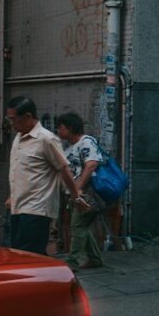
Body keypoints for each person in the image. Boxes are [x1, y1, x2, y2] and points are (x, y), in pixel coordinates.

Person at [4, 96, 86, 255]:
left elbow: (64, 169)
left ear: (28, 117)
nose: (12, 124)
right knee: (20, 255)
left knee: (27, 257)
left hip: (37, 209)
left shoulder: (47, 139)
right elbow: (21, 172)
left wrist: (76, 196)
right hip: (17, 206)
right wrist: (12, 195)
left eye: (14, 119)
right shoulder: (18, 138)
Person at [56, 112, 106, 270]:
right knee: (82, 225)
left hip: (87, 191)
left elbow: (91, 165)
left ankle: (72, 261)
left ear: (70, 128)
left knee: (77, 226)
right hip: (77, 193)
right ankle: (95, 259)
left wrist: (77, 189)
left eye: (61, 128)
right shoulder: (70, 146)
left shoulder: (87, 142)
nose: (58, 131)